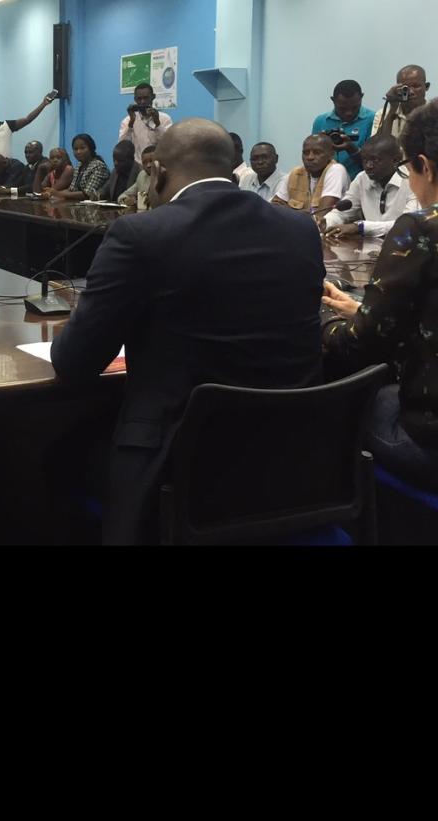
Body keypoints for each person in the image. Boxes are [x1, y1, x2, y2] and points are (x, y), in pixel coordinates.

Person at [50, 119, 324, 544]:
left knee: (54, 455)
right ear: (232, 168)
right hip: (290, 459)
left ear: (157, 172)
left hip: (178, 464)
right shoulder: (300, 229)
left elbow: (74, 363)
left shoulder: (141, 234)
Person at [319, 96, 438, 489]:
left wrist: (327, 321)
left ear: (425, 166)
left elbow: (363, 346)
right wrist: (360, 311)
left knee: (342, 403)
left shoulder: (426, 227)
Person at [321, 133, 419, 240]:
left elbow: (408, 225)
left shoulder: (413, 181)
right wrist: (326, 222)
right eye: (365, 160)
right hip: (370, 247)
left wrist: (360, 227)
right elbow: (341, 213)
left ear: (395, 160)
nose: (368, 166)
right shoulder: (362, 178)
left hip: (405, 246)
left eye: (375, 160)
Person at [0, 92, 57, 183]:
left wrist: (43, 104)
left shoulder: (7, 125)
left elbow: (28, 119)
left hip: (7, 169)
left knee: (8, 190)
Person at [311, 79, 376, 180]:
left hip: (362, 184)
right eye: (342, 108)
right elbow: (312, 158)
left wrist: (351, 149)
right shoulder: (321, 121)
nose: (349, 113)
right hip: (326, 182)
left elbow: (375, 163)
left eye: (355, 107)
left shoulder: (373, 120)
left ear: (361, 97)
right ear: (333, 100)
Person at [272, 134, 349, 215]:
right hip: (296, 222)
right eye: (306, 153)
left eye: (317, 153)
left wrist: (289, 212)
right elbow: (274, 206)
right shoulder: (296, 173)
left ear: (331, 154)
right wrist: (302, 213)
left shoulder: (336, 169)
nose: (310, 157)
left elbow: (322, 214)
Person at [371, 65, 429, 141]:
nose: (411, 92)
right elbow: (377, 145)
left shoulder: (436, 113)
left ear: (426, 87)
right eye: (405, 88)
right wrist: (392, 110)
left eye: (416, 86)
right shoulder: (383, 114)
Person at [117, 82, 173, 156]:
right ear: (135, 99)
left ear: (153, 97)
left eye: (146, 98)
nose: (142, 102)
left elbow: (168, 144)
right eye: (139, 99)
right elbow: (122, 146)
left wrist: (157, 123)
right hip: (137, 163)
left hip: (158, 161)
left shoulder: (165, 119)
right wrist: (131, 123)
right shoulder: (128, 121)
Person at [48, 133, 109, 201]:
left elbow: (87, 194)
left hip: (95, 206)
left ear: (91, 149)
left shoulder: (99, 166)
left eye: (82, 148)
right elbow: (71, 189)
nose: (78, 152)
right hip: (79, 205)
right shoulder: (79, 165)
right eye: (75, 149)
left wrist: (58, 194)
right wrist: (51, 194)